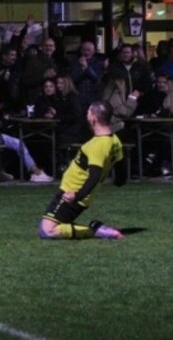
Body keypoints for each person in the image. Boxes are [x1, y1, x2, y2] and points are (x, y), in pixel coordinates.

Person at [38, 101, 126, 240]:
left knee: (47, 231)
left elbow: (94, 175)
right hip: (79, 193)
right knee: (60, 224)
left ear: (93, 119)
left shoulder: (98, 144)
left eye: (88, 112)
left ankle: (96, 231)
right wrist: (119, 181)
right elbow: (121, 169)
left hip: (72, 192)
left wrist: (76, 196)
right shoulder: (115, 140)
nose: (87, 115)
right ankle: (96, 227)